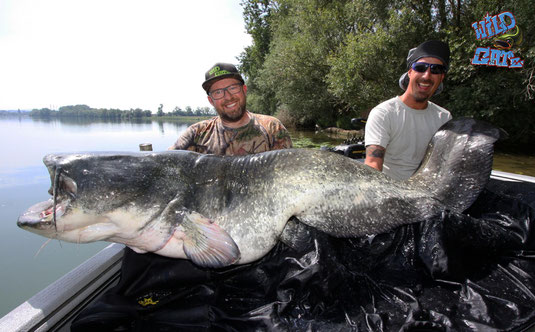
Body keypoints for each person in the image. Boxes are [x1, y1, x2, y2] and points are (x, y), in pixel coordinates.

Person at [364, 40, 453, 180]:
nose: (427, 75)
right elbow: (373, 164)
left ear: (441, 77)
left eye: (436, 69)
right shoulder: (383, 113)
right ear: (410, 72)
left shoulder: (444, 118)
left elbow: (443, 165)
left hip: (426, 194)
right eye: (421, 67)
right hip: (389, 193)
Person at [169, 62, 292, 155]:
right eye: (218, 92)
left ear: (244, 90)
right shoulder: (196, 133)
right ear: (211, 101)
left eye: (233, 88)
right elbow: (167, 163)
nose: (228, 97)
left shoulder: (272, 128)